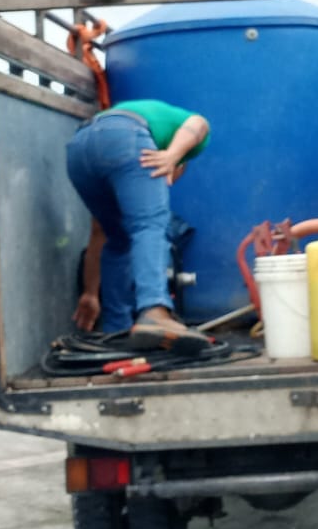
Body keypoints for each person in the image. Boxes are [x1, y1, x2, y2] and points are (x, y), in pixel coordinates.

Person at [66, 99, 211, 350]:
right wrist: (171, 156)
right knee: (150, 224)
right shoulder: (185, 146)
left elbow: (98, 234)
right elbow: (200, 123)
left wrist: (90, 293)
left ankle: (116, 329)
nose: (166, 183)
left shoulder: (146, 119)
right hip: (126, 137)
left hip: (79, 149)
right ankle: (155, 310)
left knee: (117, 237)